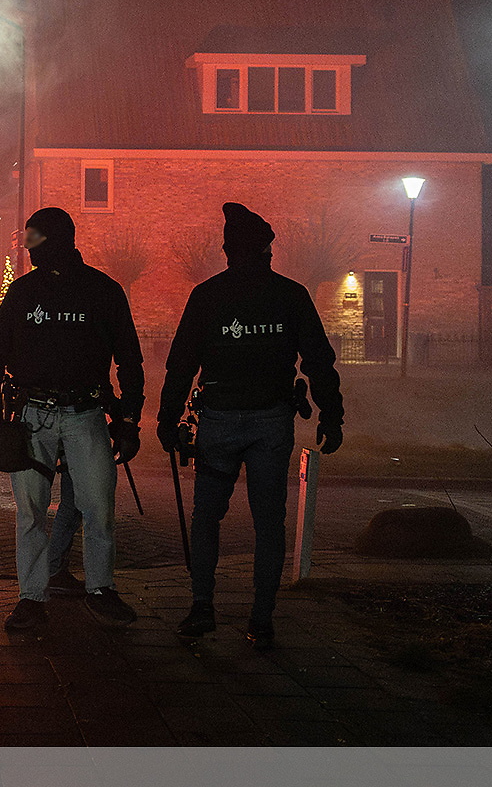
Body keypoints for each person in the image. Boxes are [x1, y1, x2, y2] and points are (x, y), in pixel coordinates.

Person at [157, 203, 344, 650]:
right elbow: (318, 360)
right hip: (270, 421)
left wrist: (167, 418)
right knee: (269, 521)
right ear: (267, 249)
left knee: (206, 518)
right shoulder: (291, 295)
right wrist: (331, 414)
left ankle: (202, 606)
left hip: (219, 418)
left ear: (227, 250)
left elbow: (181, 363)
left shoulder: (207, 295)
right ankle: (262, 617)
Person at [0, 207, 144, 630]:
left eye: (35, 238)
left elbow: (130, 358)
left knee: (97, 507)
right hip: (36, 414)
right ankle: (32, 597)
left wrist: (129, 419)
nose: (29, 247)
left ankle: (98, 588)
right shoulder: (25, 293)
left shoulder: (100, 291)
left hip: (84, 413)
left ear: (58, 239)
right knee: (33, 512)